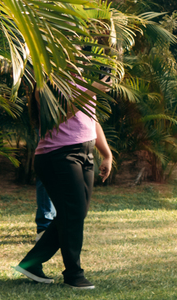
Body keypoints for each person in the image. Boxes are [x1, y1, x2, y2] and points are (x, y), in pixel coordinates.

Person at [13, 80, 112, 289]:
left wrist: (107, 154)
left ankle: (30, 263)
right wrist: (92, 90)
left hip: (85, 153)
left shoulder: (83, 81)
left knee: (75, 214)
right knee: (73, 213)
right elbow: (56, 117)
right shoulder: (45, 82)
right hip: (57, 154)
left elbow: (90, 120)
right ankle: (73, 274)